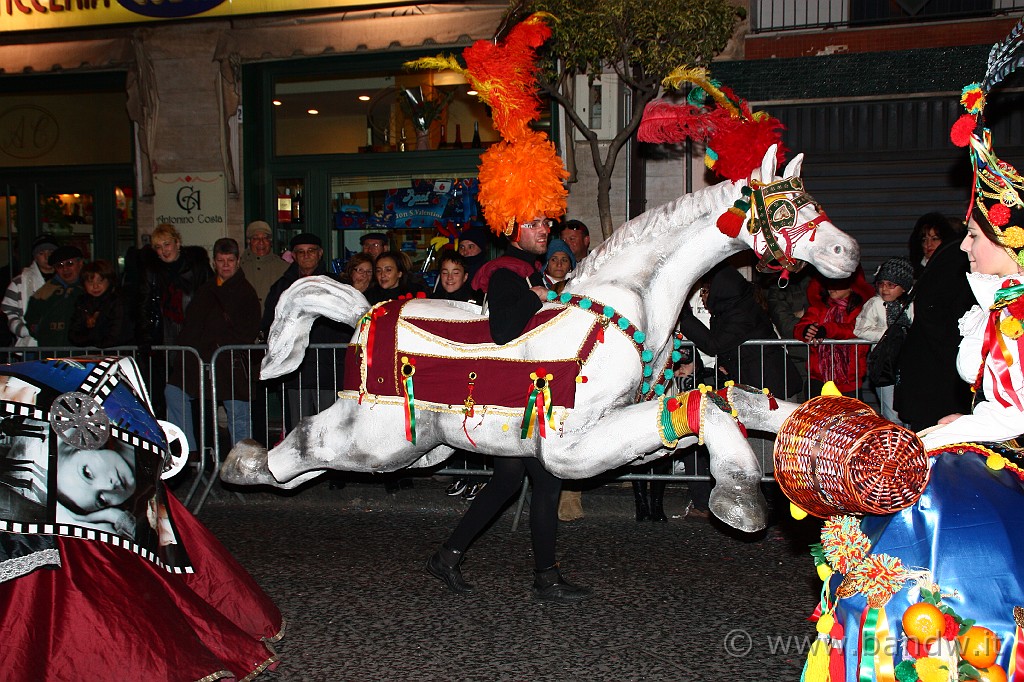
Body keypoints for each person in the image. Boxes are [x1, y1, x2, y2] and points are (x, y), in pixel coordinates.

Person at [428, 217, 592, 603]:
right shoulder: (507, 272)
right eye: (533, 224)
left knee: (507, 481)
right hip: (511, 400)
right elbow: (502, 331)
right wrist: (535, 298)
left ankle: (447, 557)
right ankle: (545, 578)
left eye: (545, 223)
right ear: (511, 230)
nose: (543, 231)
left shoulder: (523, 270)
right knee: (547, 482)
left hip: (515, 398)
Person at [166, 238, 261, 453]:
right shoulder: (206, 290)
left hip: (231, 364)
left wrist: (217, 346)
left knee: (238, 415)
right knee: (174, 391)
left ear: (237, 261)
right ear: (214, 262)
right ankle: (187, 452)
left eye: (230, 260)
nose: (225, 265)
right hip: (202, 361)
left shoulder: (246, 292)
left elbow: (248, 330)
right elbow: (191, 326)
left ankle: (243, 463)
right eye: (221, 260)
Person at [262, 233, 351, 435]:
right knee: (298, 431)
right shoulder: (282, 286)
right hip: (295, 372)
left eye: (311, 251)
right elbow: (270, 322)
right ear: (294, 256)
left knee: (329, 430)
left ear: (320, 254)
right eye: (301, 252)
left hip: (329, 369)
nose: (306, 256)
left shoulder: (335, 285)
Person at [894, 214, 974, 431]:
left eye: (935, 238)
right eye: (924, 239)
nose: (928, 245)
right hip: (927, 370)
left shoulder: (951, 265)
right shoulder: (923, 268)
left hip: (939, 371)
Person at [794, 268, 874, 397]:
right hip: (818, 379)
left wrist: (827, 330)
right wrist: (806, 331)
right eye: (829, 282)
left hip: (848, 380)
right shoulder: (819, 307)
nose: (832, 287)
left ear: (852, 287)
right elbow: (800, 327)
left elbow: (855, 329)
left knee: (848, 417)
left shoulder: (862, 310)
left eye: (838, 284)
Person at [854, 257, 915, 423]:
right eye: (881, 284)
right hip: (885, 364)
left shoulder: (912, 305)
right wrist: (889, 335)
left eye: (891, 285)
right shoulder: (874, 304)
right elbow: (859, 329)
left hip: (908, 364)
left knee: (910, 407)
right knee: (891, 412)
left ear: (904, 287)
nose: (884, 289)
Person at [137, 223, 213, 347]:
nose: (164, 251)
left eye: (167, 244)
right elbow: (144, 305)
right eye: (158, 247)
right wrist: (146, 337)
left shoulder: (198, 267)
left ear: (177, 243)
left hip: (195, 335)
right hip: (163, 336)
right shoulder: (152, 272)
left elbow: (210, 300)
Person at [2, 233, 57, 348]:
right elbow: (8, 312)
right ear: (35, 256)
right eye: (41, 253)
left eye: (51, 253)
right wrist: (24, 330)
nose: (47, 257)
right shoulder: (20, 282)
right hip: (31, 344)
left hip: (60, 343)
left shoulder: (66, 279)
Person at [25, 245, 84, 347]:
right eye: (60, 265)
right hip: (50, 353)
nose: (65, 269)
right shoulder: (44, 292)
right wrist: (39, 331)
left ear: (80, 263)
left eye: (70, 263)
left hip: (83, 353)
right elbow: (31, 318)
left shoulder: (90, 288)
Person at [68, 259, 132, 348]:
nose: (95, 286)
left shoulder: (118, 302)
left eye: (100, 281)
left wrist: (95, 343)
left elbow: (118, 333)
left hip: (115, 353)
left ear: (109, 281)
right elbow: (74, 332)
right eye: (90, 282)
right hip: (89, 353)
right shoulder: (82, 302)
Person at [240, 219, 288, 317]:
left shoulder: (284, 268)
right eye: (256, 238)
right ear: (249, 242)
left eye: (265, 238)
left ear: (270, 242)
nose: (261, 242)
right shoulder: (238, 267)